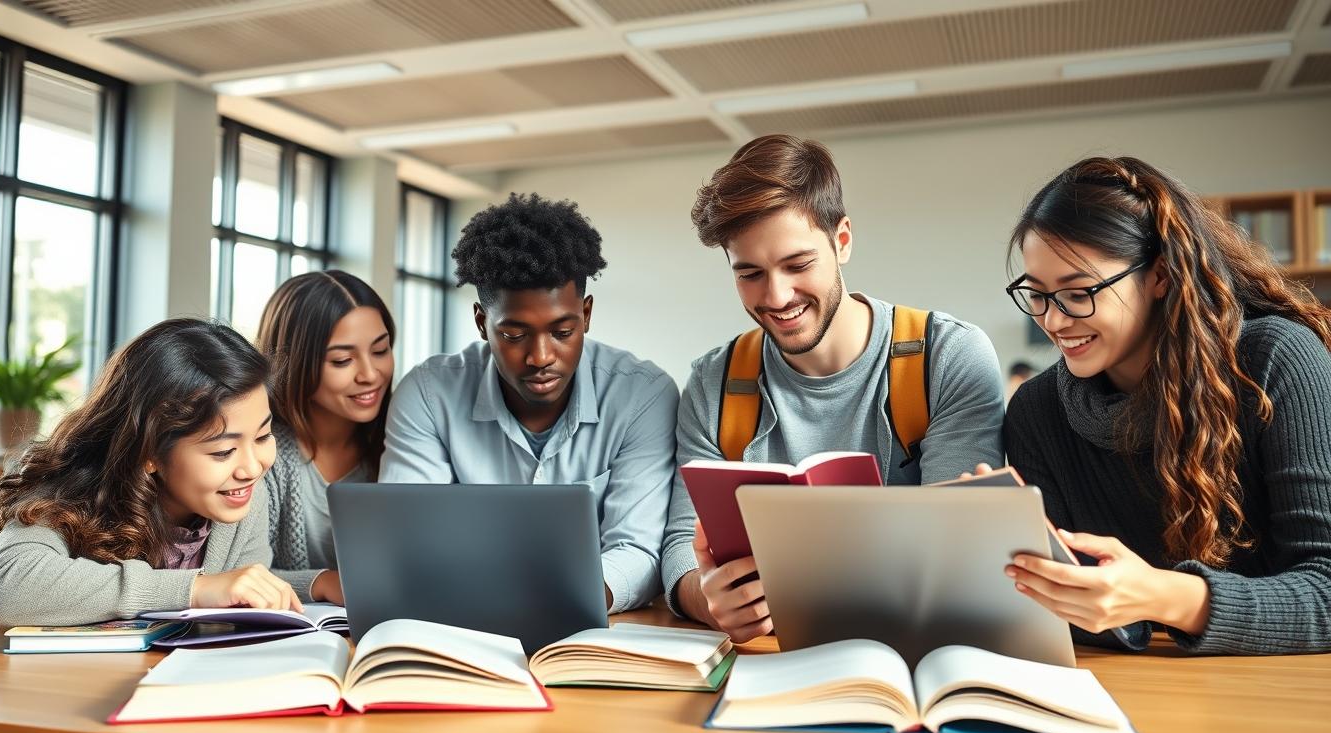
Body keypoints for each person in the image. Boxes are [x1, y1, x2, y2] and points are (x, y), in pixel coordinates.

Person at [662, 135, 1005, 641]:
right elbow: (679, 544)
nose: (776, 297)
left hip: (911, 648)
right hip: (773, 658)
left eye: (798, 265)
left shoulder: (948, 357)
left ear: (842, 241)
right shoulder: (713, 384)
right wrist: (706, 598)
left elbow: (955, 556)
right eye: (749, 274)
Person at [1001, 156, 1331, 654]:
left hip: (1274, 694)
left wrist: (1164, 597)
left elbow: (1325, 590)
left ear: (1159, 275)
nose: (1054, 320)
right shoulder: (1037, 410)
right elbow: (1071, 622)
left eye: (1078, 292)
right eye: (1037, 294)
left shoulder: (1274, 363)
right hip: (1126, 691)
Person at [380, 192, 676, 613]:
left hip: (588, 628)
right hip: (459, 621)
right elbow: (410, 541)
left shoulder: (643, 396)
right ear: (482, 322)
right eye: (514, 335)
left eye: (562, 332)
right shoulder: (428, 394)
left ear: (586, 314)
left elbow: (638, 551)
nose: (540, 357)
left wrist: (556, 600)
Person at [0, 319, 301, 628]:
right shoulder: (70, 488)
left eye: (262, 437)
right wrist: (194, 589)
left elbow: (244, 584)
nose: (252, 468)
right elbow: (4, 590)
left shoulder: (242, 496)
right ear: (150, 452)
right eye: (222, 452)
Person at [256, 270, 396, 606]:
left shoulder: (406, 441)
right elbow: (238, 573)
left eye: (380, 350)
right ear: (294, 363)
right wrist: (322, 583)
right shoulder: (261, 452)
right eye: (342, 360)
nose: (369, 374)